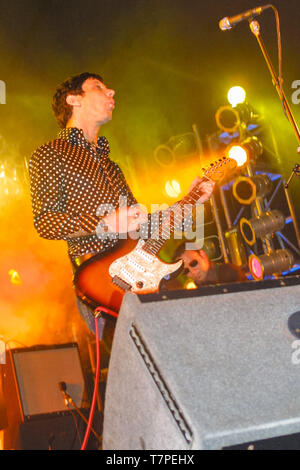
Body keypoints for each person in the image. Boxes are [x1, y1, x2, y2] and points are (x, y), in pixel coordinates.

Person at [29, 72, 215, 334]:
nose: (111, 92)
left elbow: (144, 228)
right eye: (98, 87)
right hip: (102, 281)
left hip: (141, 278)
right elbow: (46, 221)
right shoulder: (51, 153)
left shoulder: (111, 167)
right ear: (73, 100)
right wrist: (105, 222)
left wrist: (191, 199)